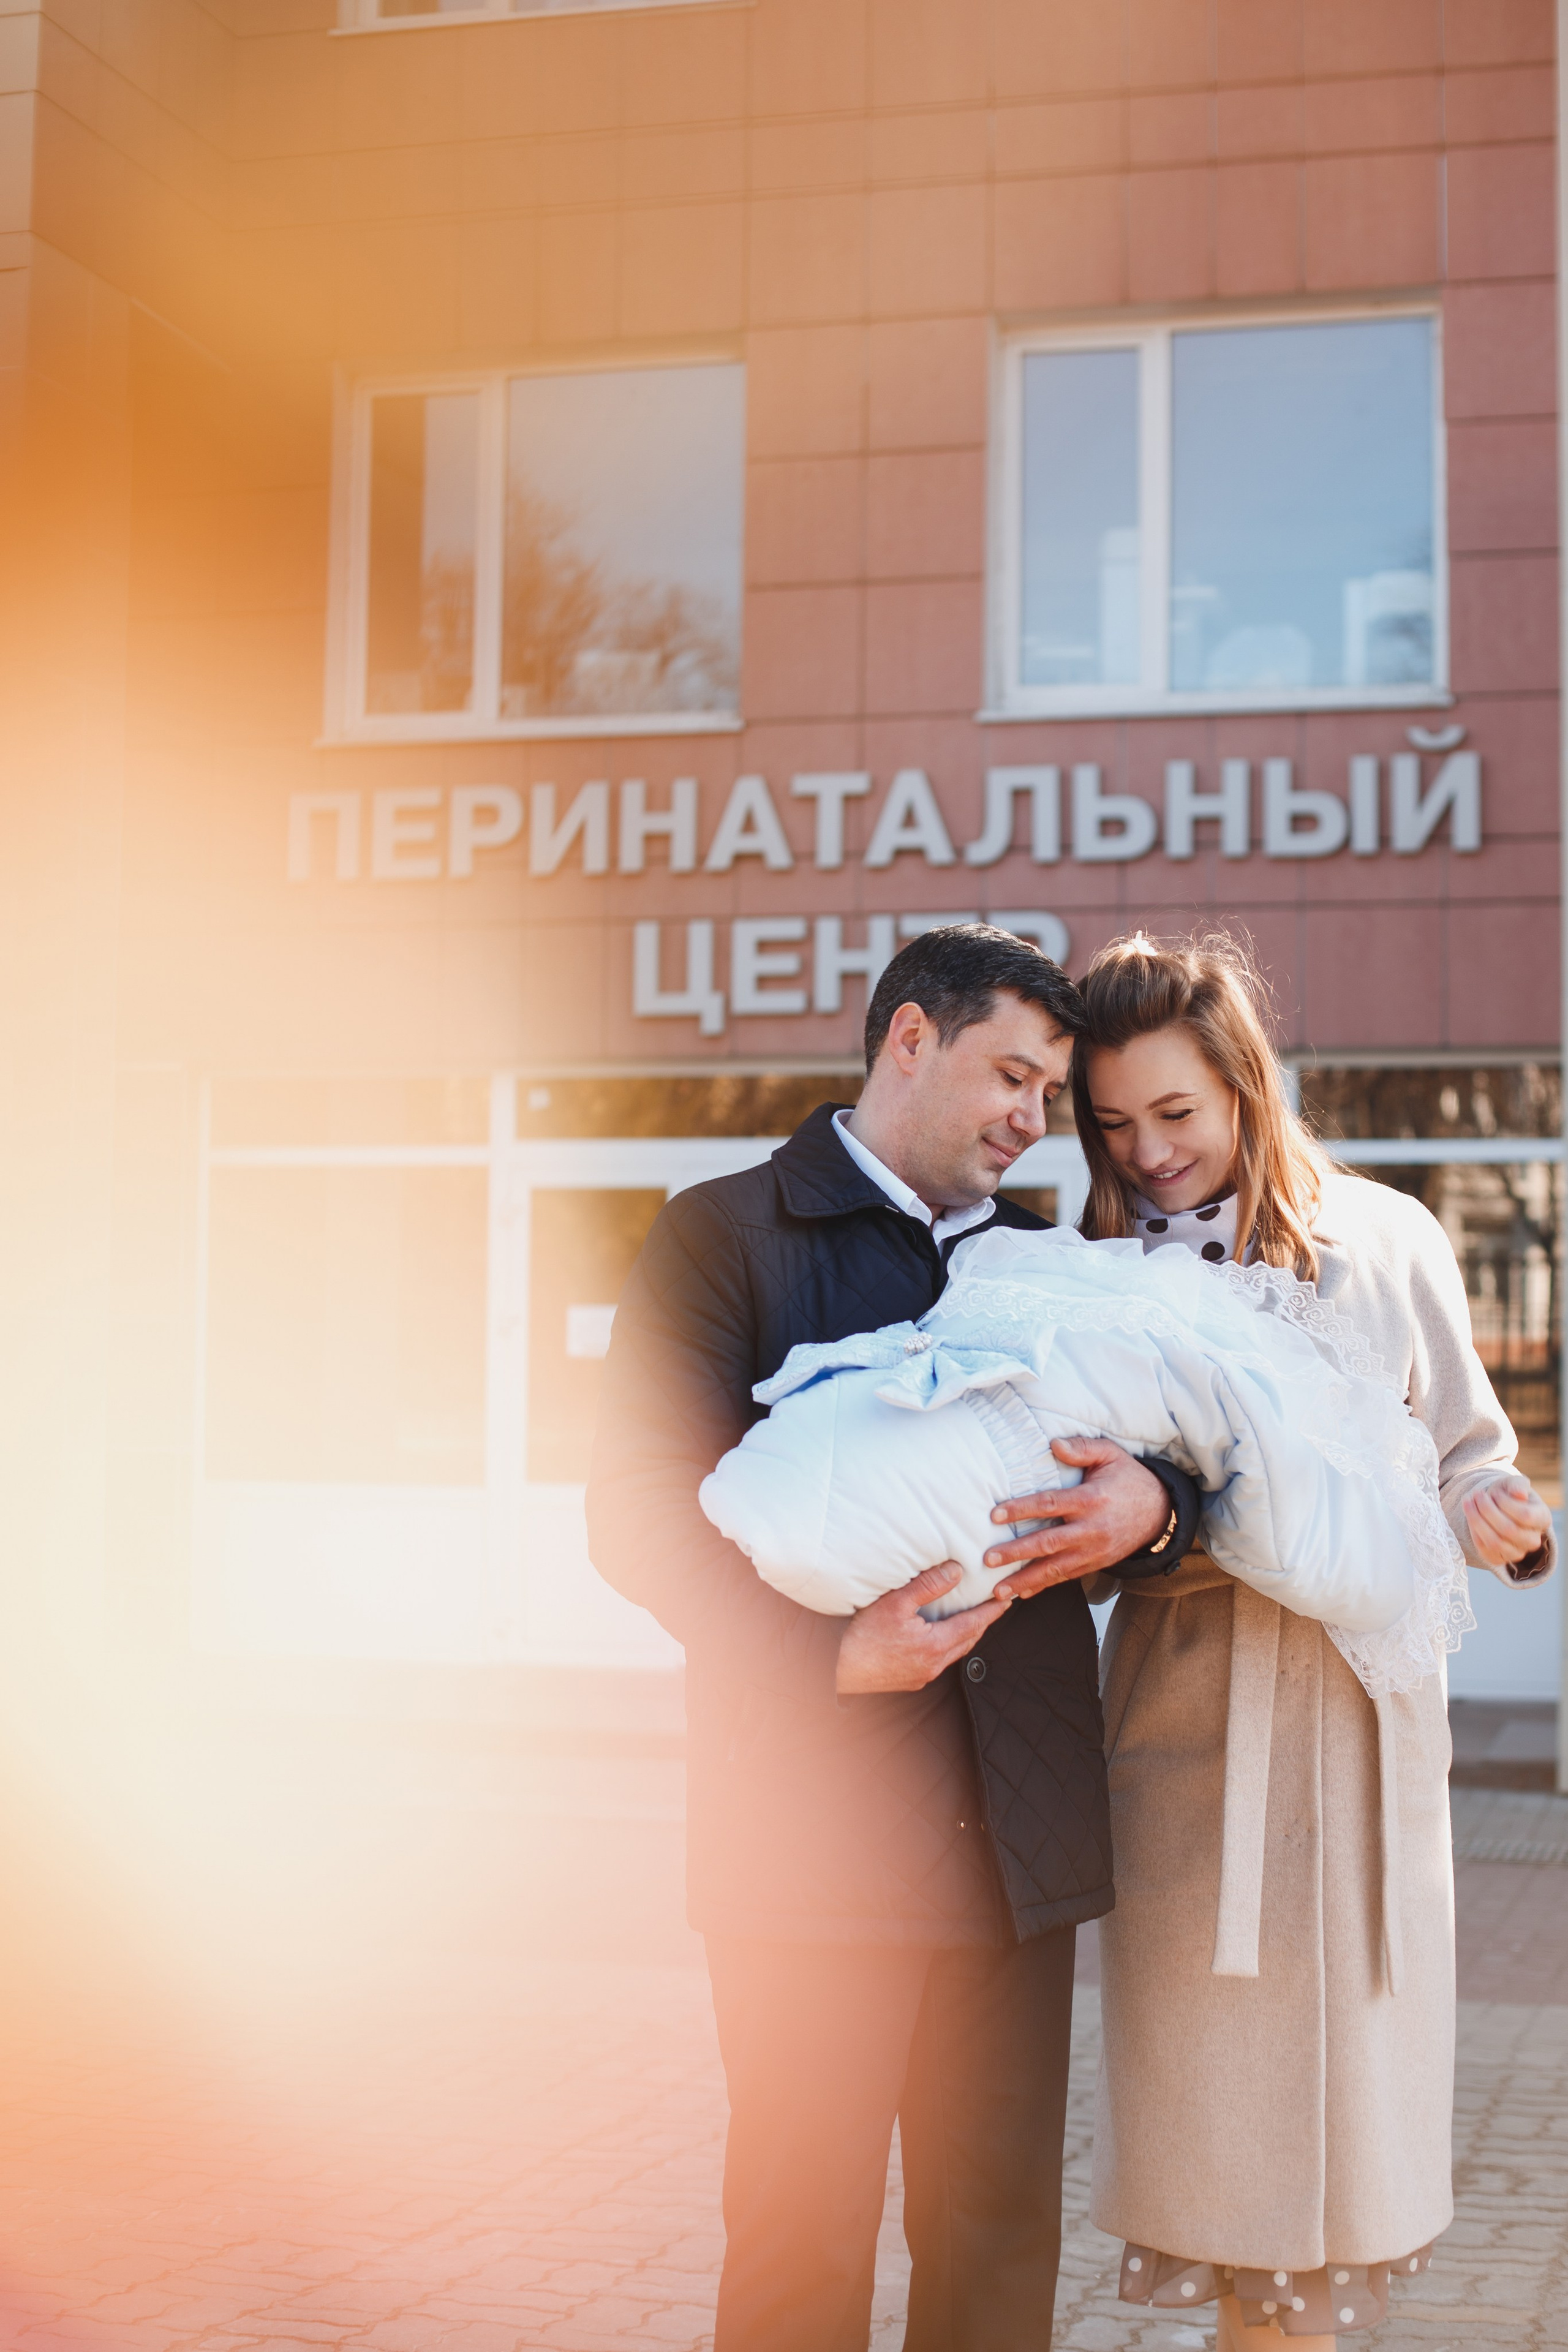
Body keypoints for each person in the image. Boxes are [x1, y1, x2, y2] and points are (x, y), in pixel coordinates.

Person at [586, 925, 1204, 2352]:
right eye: (1007, 1074)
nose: (1027, 1119)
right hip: (808, 1841)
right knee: (799, 2250)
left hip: (1020, 1841)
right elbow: (632, 1510)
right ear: (907, 1042)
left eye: (1048, 1095)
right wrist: (826, 1660)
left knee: (995, 2254)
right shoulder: (723, 1233)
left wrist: (1151, 1510)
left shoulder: (1054, 1268)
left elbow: (1181, 1460)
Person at [1055, 930, 1556, 2351]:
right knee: (1222, 2147)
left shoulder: (1385, 1237)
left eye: (1175, 1114)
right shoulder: (1087, 1276)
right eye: (1112, 1125)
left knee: (1341, 2164)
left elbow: (1462, 1444)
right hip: (1187, 1732)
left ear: (1243, 1087)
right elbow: (1067, 1528)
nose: (1148, 1153)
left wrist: (1490, 1508)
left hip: (1356, 1731)